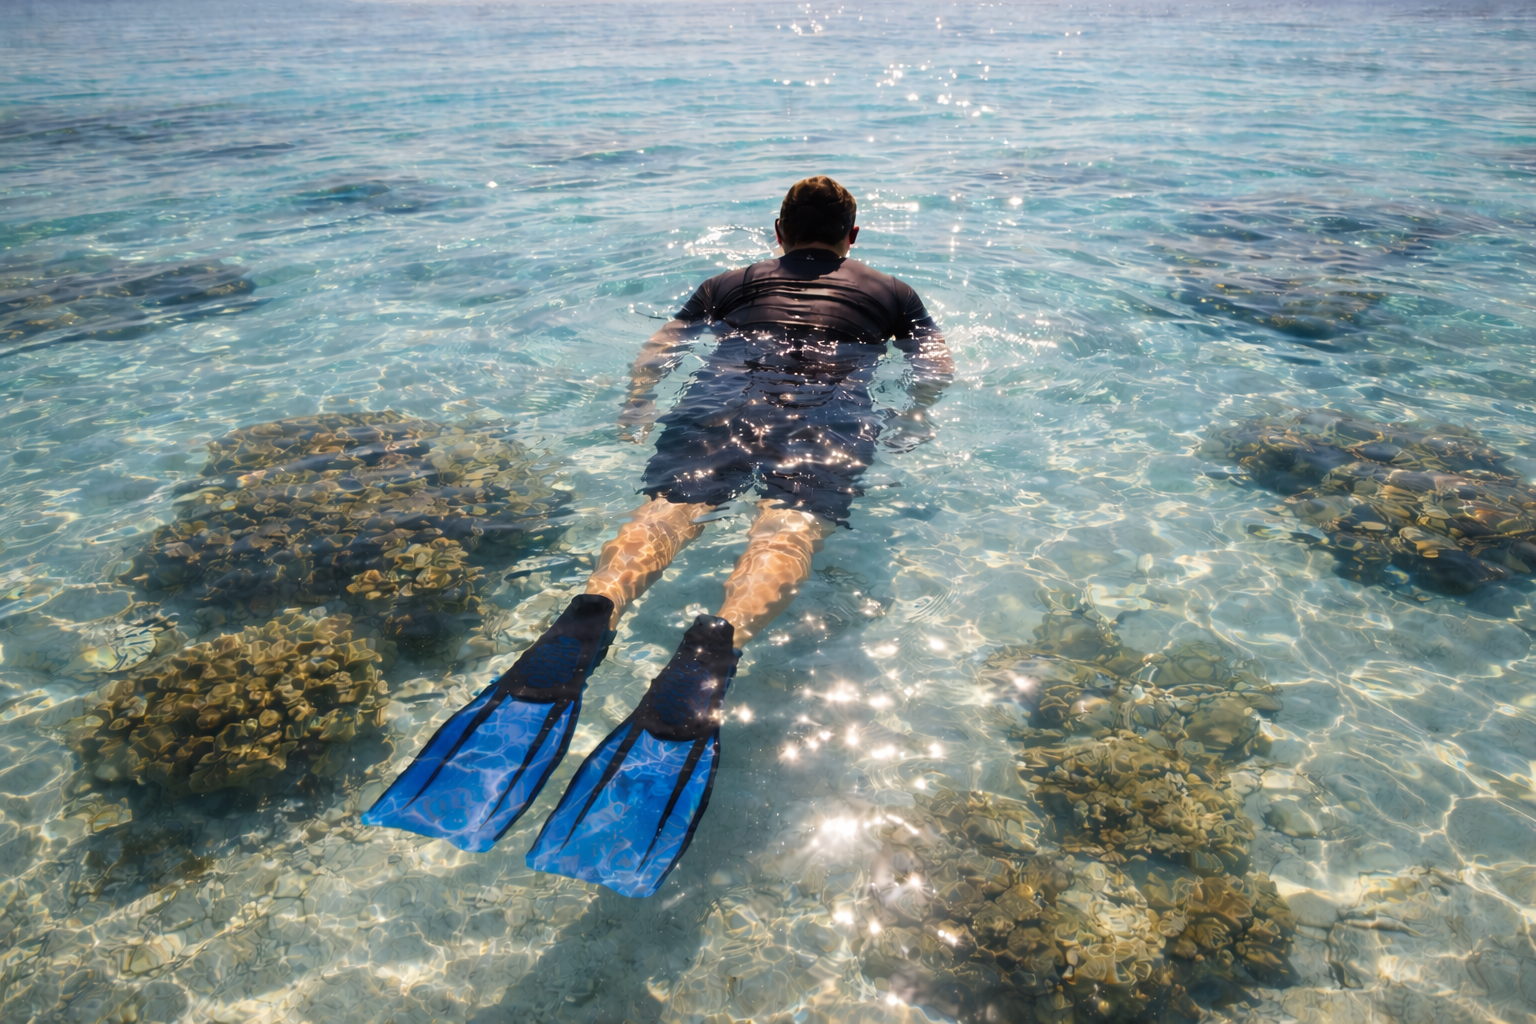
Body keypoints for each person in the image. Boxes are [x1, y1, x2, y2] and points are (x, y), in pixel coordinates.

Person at [364, 176, 954, 897]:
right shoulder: (892, 292)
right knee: (787, 529)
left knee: (668, 511)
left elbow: (661, 349)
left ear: (777, 232)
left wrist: (639, 400)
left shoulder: (728, 282)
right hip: (827, 406)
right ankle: (724, 633)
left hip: (723, 397)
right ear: (853, 238)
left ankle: (601, 601)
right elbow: (935, 367)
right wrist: (918, 415)